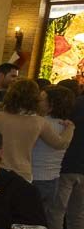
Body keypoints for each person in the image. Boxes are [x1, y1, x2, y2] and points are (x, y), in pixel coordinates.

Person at [0, 78, 74, 183]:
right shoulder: (39, 122)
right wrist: (70, 128)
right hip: (22, 173)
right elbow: (60, 144)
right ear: (35, 99)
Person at [47, 82, 84, 229]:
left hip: (66, 166)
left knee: (56, 214)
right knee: (77, 216)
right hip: (82, 170)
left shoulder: (74, 108)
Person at [31, 85, 77, 215]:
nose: (37, 102)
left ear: (51, 105)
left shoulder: (39, 123)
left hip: (35, 177)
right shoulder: (67, 126)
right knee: (42, 221)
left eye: (41, 99)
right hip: (53, 179)